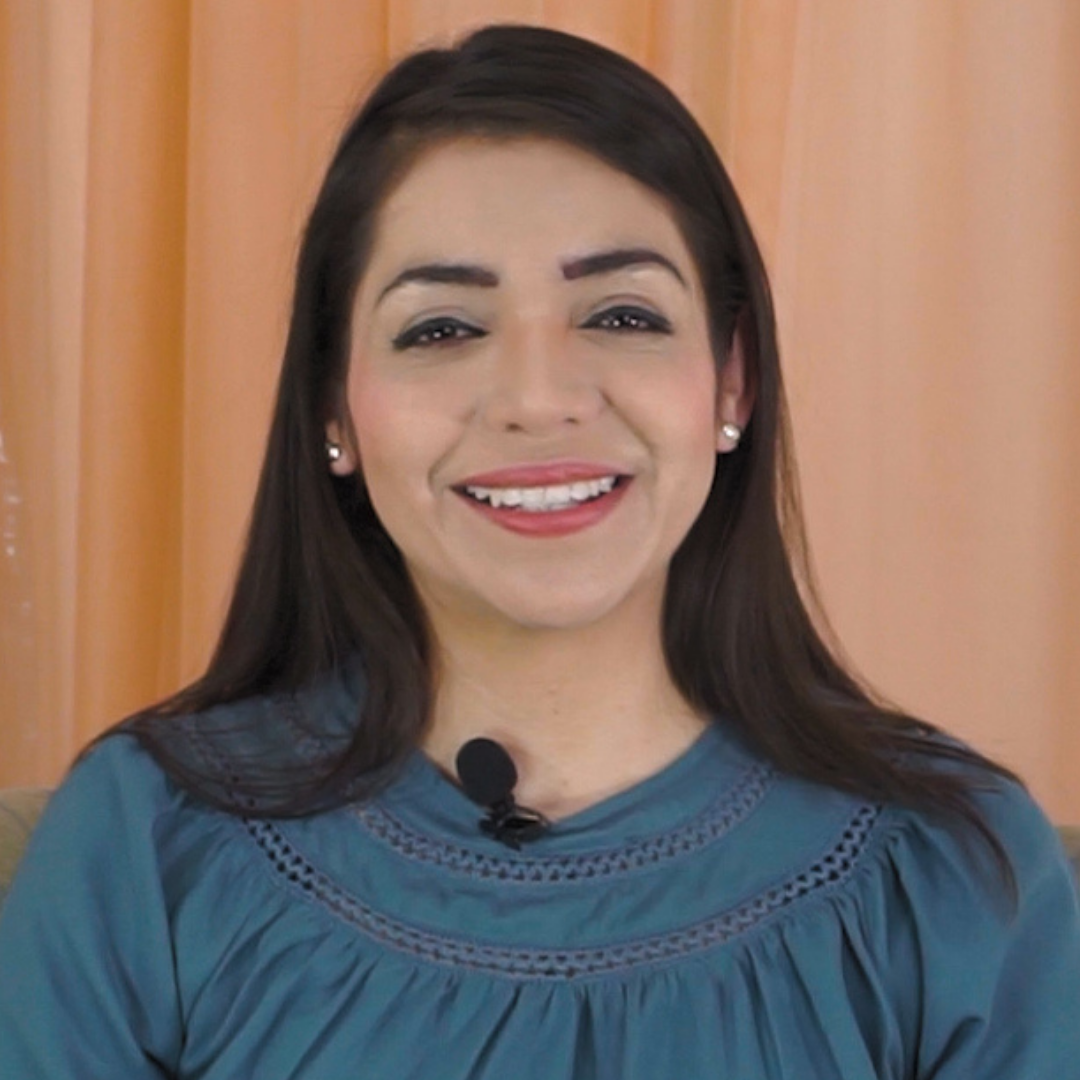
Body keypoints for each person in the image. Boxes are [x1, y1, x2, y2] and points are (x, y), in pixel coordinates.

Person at [0, 24, 1077, 1079]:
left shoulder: (957, 872)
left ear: (733, 380)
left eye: (622, 315)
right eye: (441, 329)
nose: (538, 397)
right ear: (334, 408)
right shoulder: (143, 845)